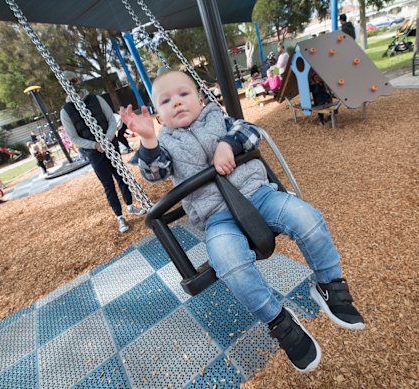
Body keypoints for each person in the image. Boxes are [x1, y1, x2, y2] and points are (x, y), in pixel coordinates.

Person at [120, 70, 365, 373]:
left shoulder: (217, 118)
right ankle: (278, 319)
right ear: (159, 115)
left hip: (258, 194)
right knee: (228, 263)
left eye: (183, 94)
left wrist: (227, 145)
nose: (177, 103)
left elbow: (250, 131)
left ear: (200, 98)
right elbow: (154, 172)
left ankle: (329, 283)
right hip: (216, 217)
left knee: (307, 218)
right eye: (166, 101)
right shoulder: (165, 144)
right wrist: (147, 139)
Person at [60, 70, 145, 233]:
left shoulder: (96, 99)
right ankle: (119, 216)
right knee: (108, 184)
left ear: (78, 80)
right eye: (69, 82)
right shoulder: (66, 111)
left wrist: (106, 139)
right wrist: (95, 145)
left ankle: (130, 205)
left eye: (74, 80)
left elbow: (111, 120)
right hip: (94, 152)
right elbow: (73, 137)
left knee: (121, 176)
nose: (73, 84)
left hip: (110, 145)